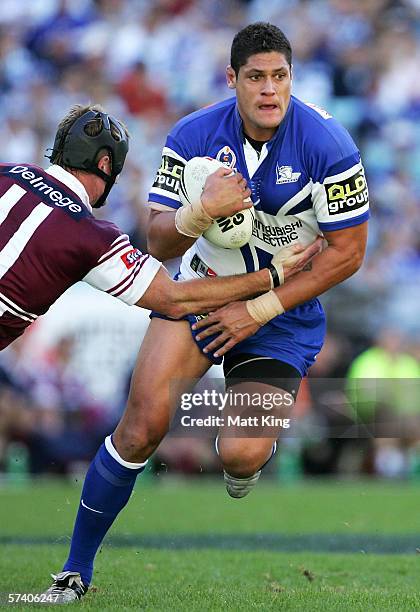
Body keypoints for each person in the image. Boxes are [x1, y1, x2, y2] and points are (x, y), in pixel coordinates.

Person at [43, 22, 369, 603]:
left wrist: (261, 307)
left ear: (292, 79)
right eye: (256, 78)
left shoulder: (330, 145)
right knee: (139, 428)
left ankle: (243, 463)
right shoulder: (193, 133)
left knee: (240, 455)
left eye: (280, 77)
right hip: (201, 290)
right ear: (233, 81)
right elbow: (158, 242)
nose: (270, 90)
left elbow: (349, 254)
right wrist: (199, 213)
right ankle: (74, 571)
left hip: (282, 315)